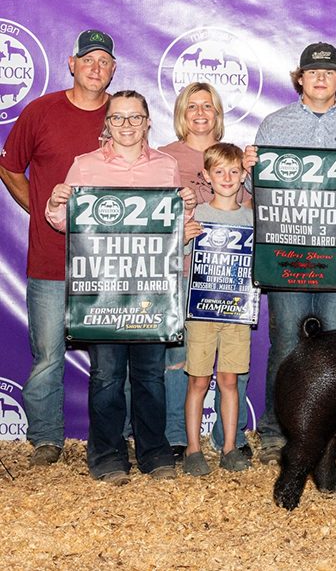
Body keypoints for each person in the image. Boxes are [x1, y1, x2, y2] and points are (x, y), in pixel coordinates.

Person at [45, 90, 196, 485]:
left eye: (135, 118)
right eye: (118, 118)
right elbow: (65, 223)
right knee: (107, 374)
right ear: (106, 124)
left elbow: (170, 228)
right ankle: (107, 454)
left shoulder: (166, 166)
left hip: (150, 289)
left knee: (150, 375)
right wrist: (57, 202)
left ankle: (153, 451)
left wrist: (188, 205)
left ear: (148, 122)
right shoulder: (84, 165)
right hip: (102, 292)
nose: (126, 125)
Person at [243, 42, 336, 465]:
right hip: (287, 245)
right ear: (300, 78)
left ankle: (333, 436)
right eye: (312, 72)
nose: (320, 78)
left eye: (329, 72)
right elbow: (253, 195)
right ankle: (274, 430)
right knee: (286, 341)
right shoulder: (273, 125)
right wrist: (251, 169)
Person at [0, 29, 117, 467]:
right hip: (50, 260)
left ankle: (115, 435)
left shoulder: (123, 115)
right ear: (71, 63)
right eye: (88, 59)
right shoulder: (41, 110)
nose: (95, 67)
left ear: (113, 70)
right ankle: (47, 438)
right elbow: (9, 166)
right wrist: (43, 211)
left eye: (104, 61)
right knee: (48, 354)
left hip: (109, 264)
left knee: (113, 354)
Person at [159, 82, 251, 462]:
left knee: (232, 373)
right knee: (182, 364)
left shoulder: (241, 169)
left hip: (231, 291)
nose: (200, 113)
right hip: (185, 278)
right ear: (182, 112)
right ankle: (181, 440)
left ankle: (230, 442)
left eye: (208, 106)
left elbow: (253, 228)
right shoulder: (163, 157)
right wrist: (179, 237)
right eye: (192, 106)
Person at [181, 143, 252, 475]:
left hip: (236, 314)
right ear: (206, 176)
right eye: (219, 171)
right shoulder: (197, 217)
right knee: (198, 380)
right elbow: (171, 259)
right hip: (201, 313)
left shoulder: (253, 220)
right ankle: (193, 449)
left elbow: (263, 266)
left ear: (243, 175)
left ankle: (229, 447)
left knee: (229, 380)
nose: (227, 177)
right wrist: (182, 238)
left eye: (234, 171)